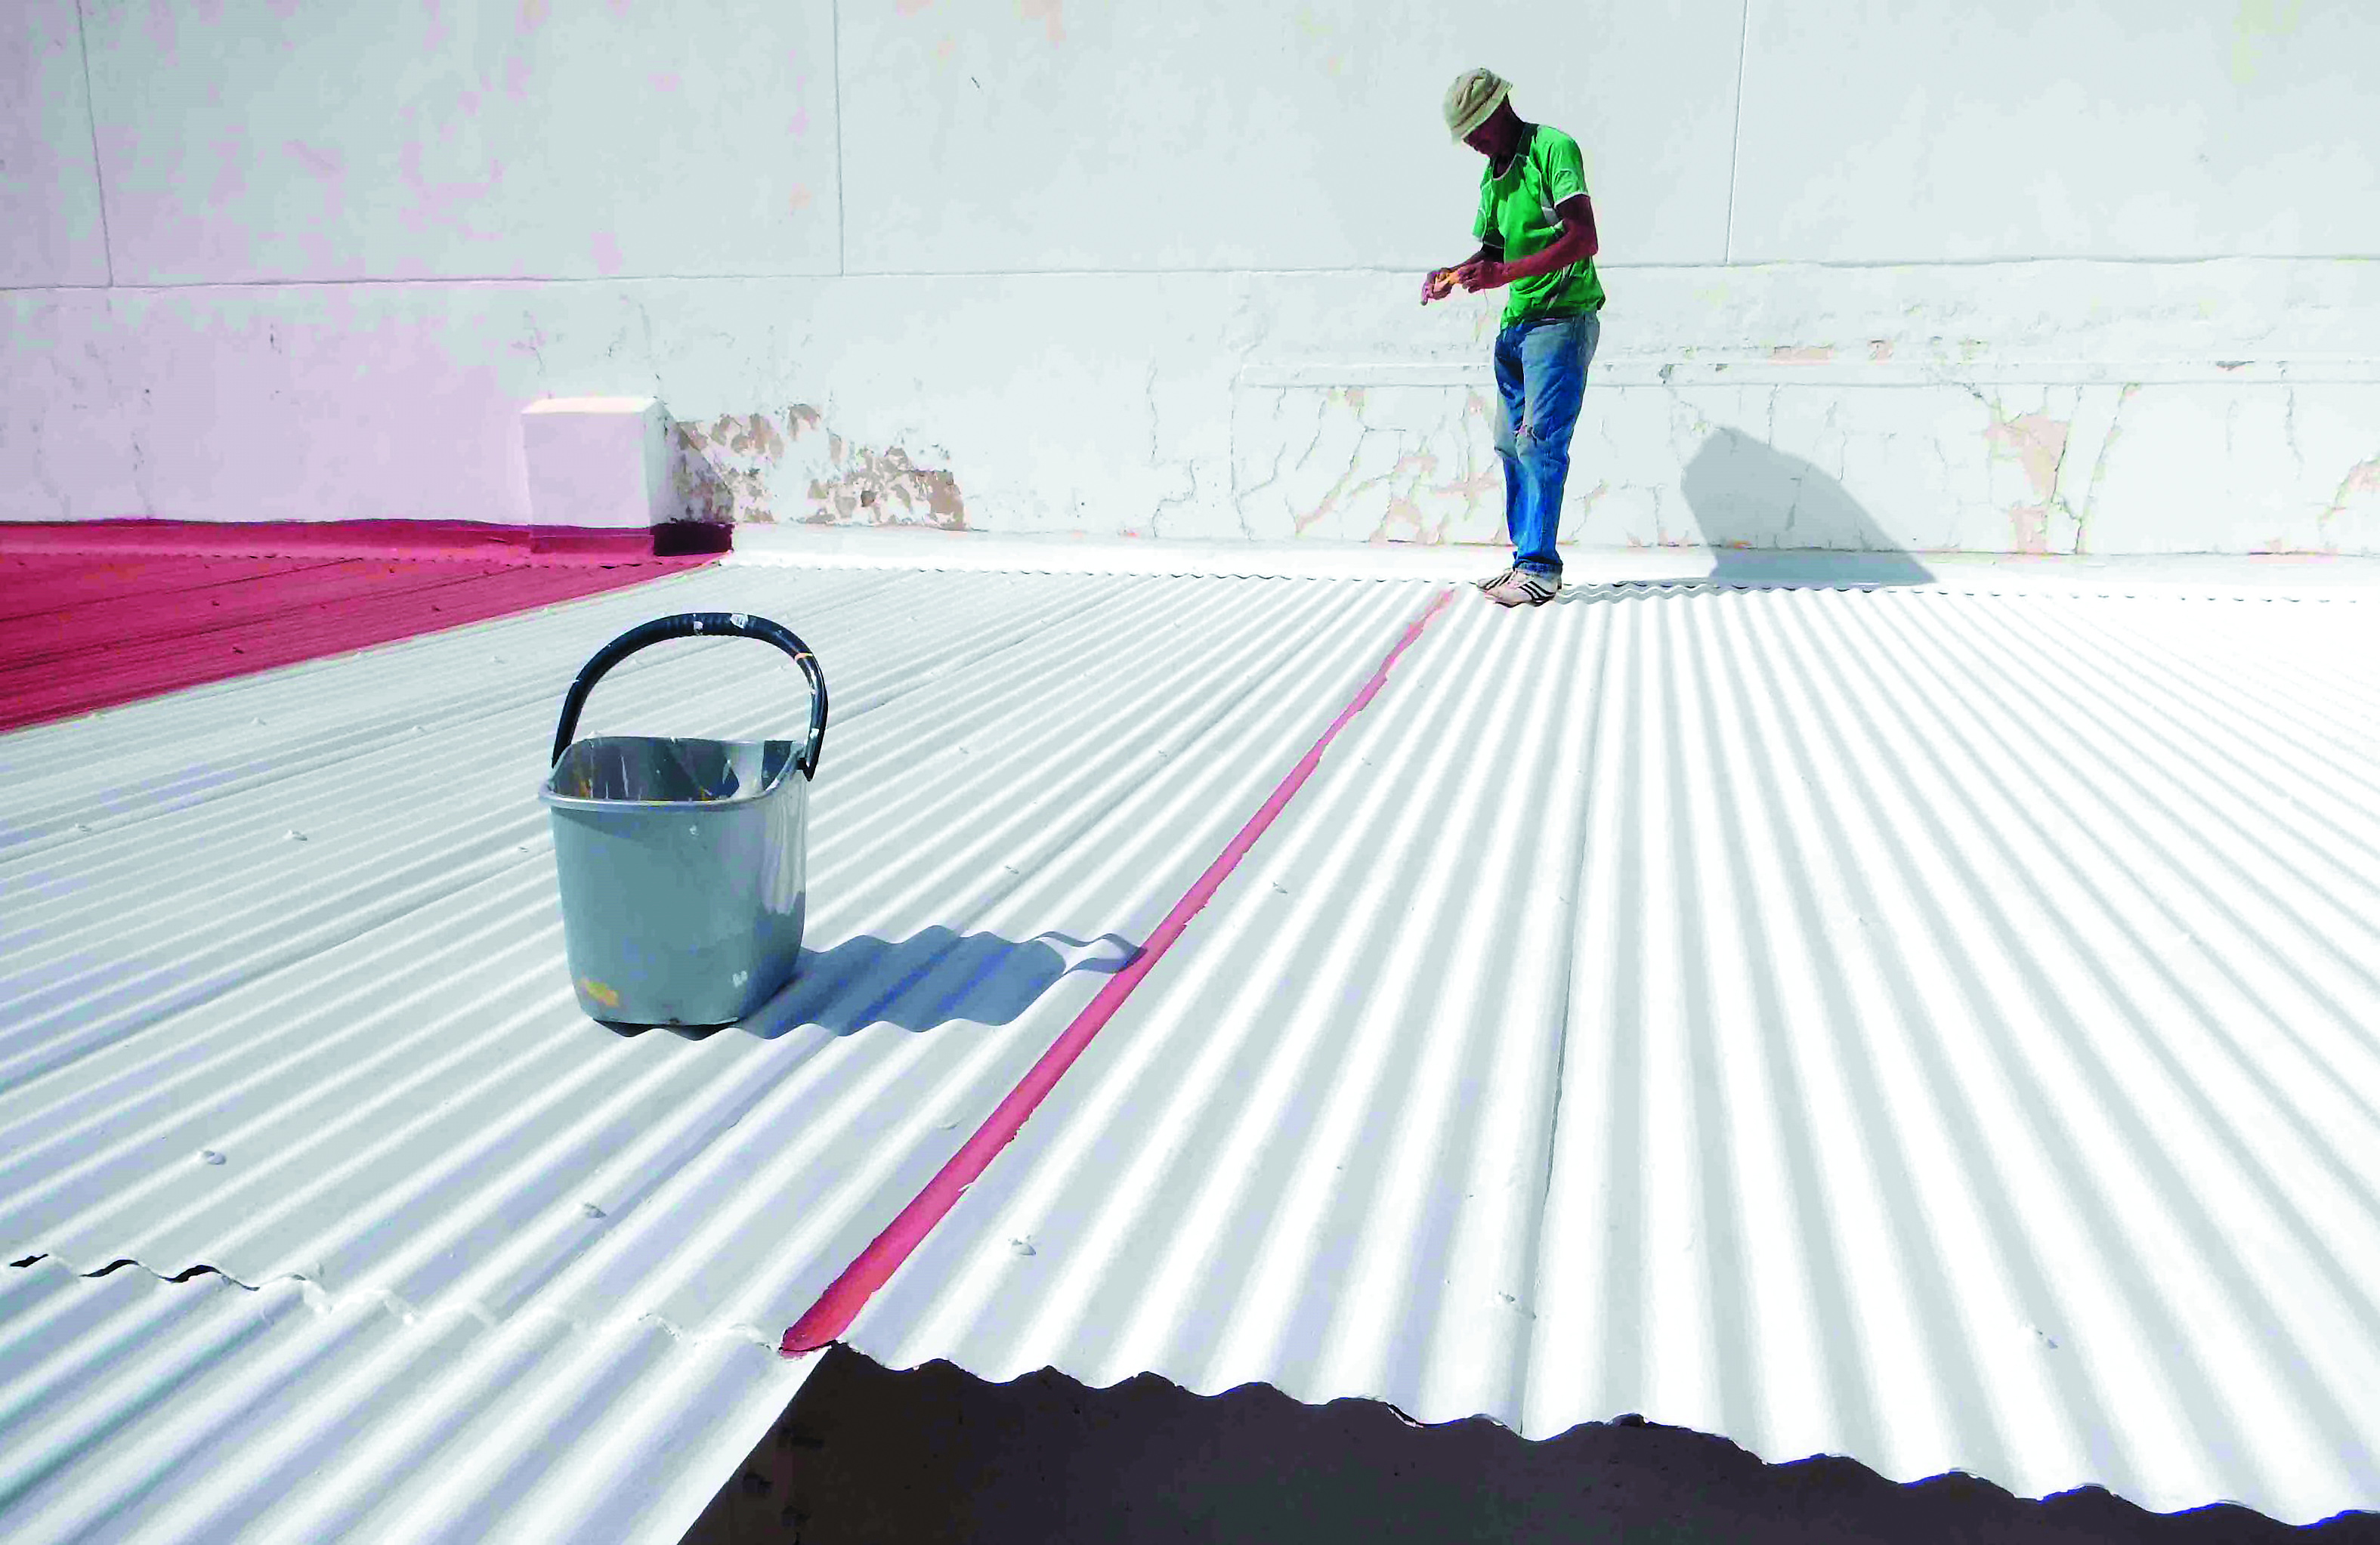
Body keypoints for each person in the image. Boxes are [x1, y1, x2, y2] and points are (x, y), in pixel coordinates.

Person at [1423, 69, 1604, 607]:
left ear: (1498, 109)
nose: (1473, 143)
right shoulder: (1493, 178)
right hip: (1518, 327)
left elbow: (1584, 237)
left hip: (1561, 320)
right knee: (1509, 442)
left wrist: (1505, 276)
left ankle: (1541, 568)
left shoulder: (1553, 149)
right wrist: (1456, 274)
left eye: (1476, 129)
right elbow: (1495, 255)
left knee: (1541, 441)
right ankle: (1525, 559)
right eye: (1467, 136)